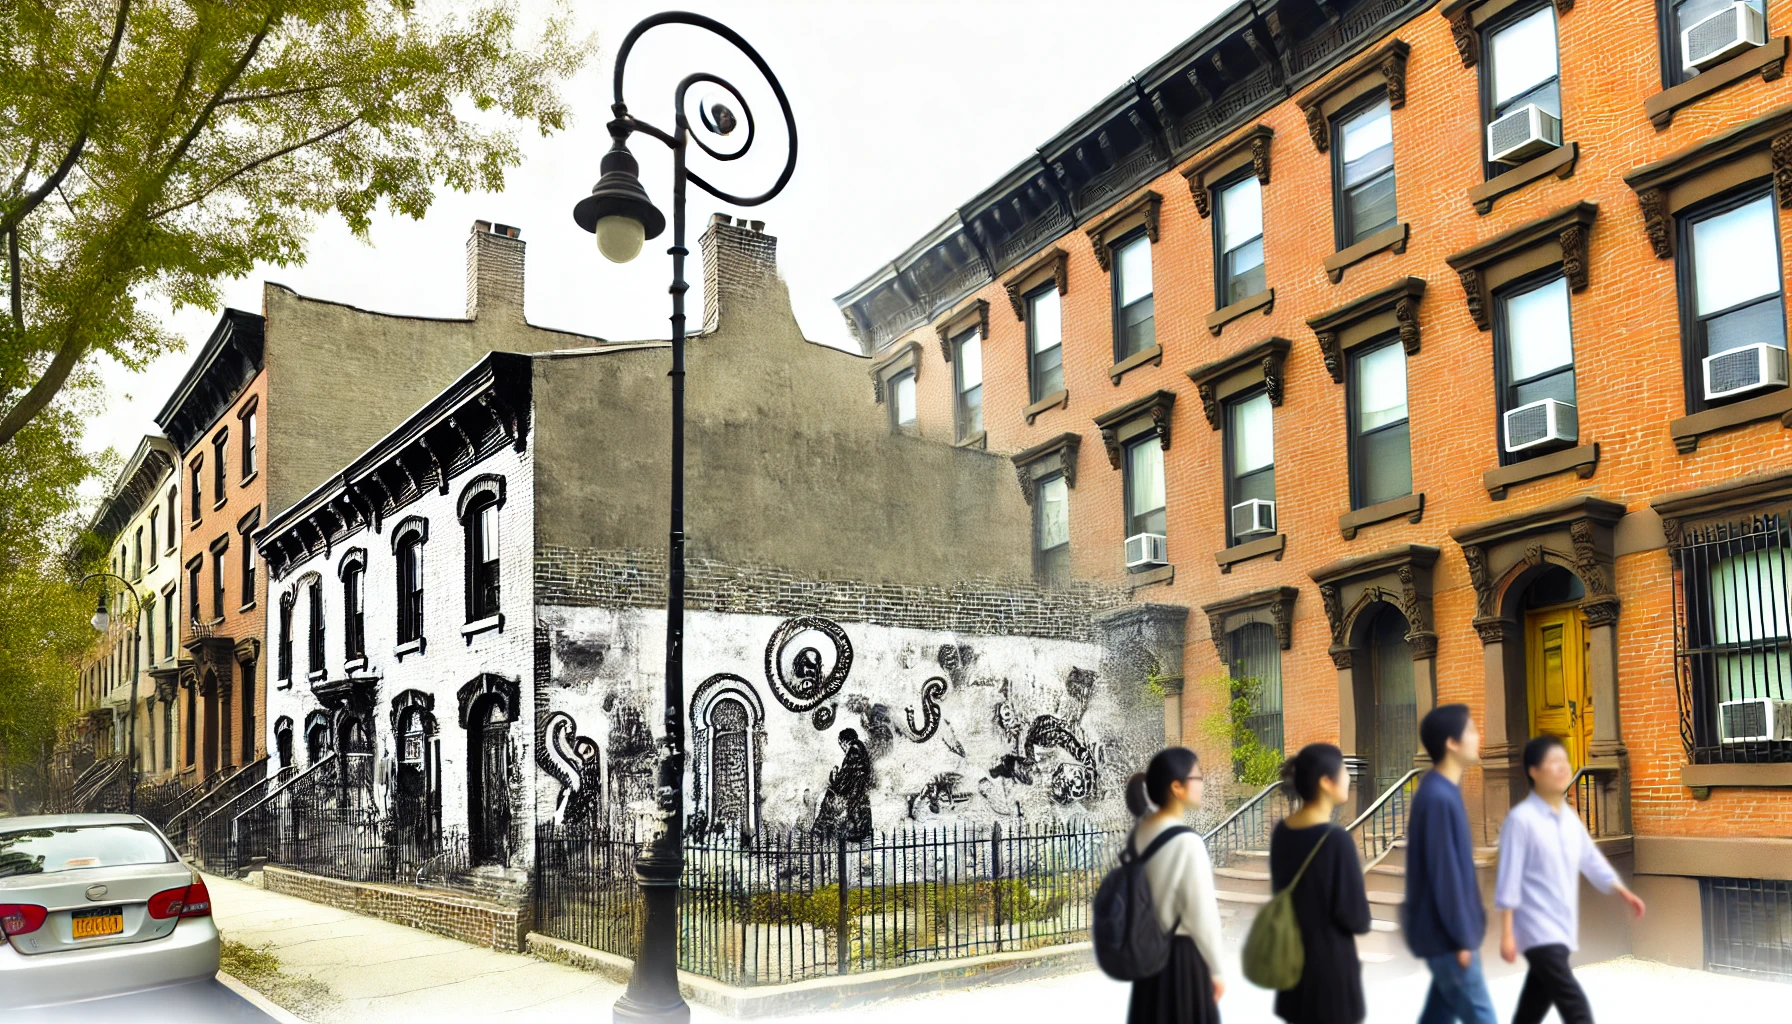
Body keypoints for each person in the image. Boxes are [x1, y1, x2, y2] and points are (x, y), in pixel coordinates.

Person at [1495, 735, 1646, 1024]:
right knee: (1571, 1001)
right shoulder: (1522, 820)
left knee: (1535, 999)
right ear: (1534, 772)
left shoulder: (1567, 817)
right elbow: (1508, 878)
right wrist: (1507, 932)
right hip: (1536, 926)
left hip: (1562, 921)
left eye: (1564, 761)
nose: (1563, 768)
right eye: (1553, 762)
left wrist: (1623, 892)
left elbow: (1589, 858)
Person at [1404, 704, 1496, 1024]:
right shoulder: (1438, 797)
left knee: (1438, 1015)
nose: (1478, 736)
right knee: (1483, 1017)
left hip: (1442, 933)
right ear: (1452, 743)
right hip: (1446, 936)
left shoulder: (1442, 791)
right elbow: (1445, 875)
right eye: (1470, 730)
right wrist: (1462, 938)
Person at [1268, 743, 1372, 1024]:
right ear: (1326, 782)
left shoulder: (1282, 834)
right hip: (1330, 975)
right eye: (1345, 771)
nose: (1350, 778)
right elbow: (1357, 918)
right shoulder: (1335, 840)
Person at [1125, 747, 1226, 1024]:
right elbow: (1201, 915)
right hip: (1182, 963)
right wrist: (1217, 970)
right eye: (1198, 778)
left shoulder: (1140, 835)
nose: (1202, 783)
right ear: (1177, 787)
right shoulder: (1187, 842)